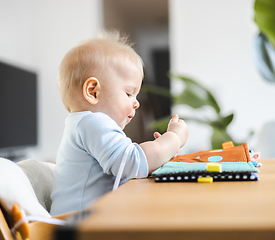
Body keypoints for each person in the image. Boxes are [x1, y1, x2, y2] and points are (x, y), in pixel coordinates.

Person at [50, 30, 188, 216]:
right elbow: (133, 162)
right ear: (93, 92)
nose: (136, 102)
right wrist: (173, 139)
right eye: (129, 93)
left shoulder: (82, 125)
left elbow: (126, 167)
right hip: (81, 227)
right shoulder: (92, 122)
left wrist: (160, 154)